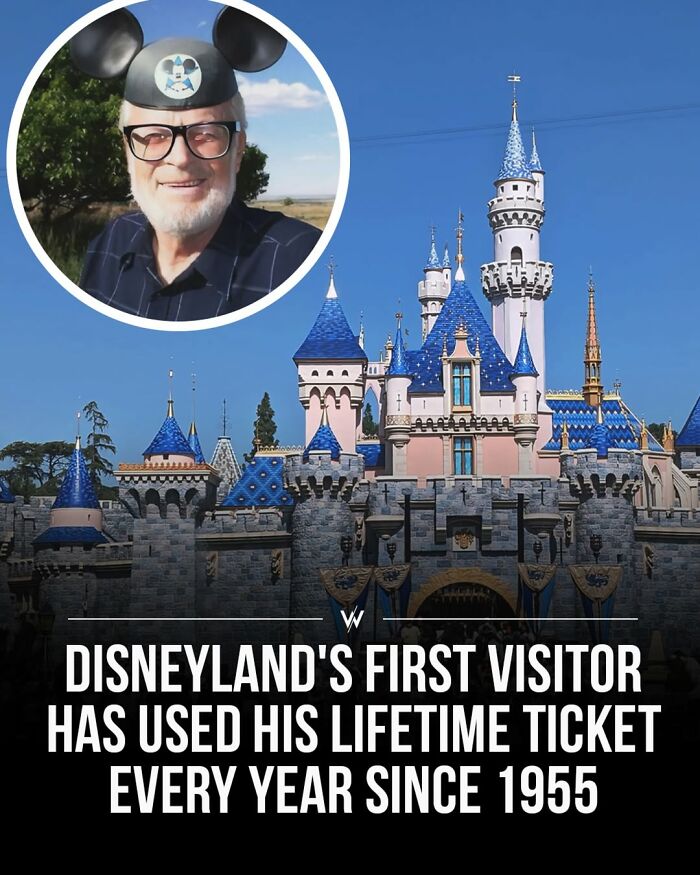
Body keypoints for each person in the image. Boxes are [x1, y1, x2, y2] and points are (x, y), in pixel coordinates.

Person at [71, 7, 322, 321]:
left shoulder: (296, 259)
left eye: (205, 134)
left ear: (238, 148)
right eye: (154, 135)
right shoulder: (108, 244)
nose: (180, 158)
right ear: (127, 150)